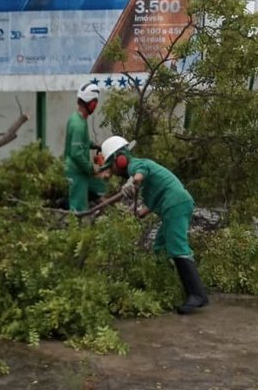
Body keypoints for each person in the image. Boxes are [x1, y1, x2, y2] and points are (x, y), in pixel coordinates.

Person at [100, 135, 209, 315]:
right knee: (160, 246)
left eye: (111, 165)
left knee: (177, 246)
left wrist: (132, 182)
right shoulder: (142, 176)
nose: (112, 170)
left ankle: (197, 295)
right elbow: (149, 203)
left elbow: (140, 174)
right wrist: (135, 213)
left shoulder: (136, 165)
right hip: (172, 206)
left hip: (175, 205)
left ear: (120, 159)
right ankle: (164, 284)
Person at [63, 81, 107, 212]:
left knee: (100, 187)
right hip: (77, 171)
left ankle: (99, 209)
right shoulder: (78, 124)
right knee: (78, 208)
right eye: (95, 102)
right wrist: (91, 168)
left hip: (81, 169)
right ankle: (76, 230)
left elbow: (82, 142)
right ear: (90, 103)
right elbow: (76, 152)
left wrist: (95, 145)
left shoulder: (78, 119)